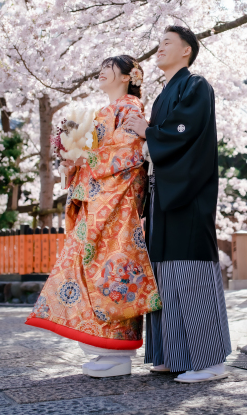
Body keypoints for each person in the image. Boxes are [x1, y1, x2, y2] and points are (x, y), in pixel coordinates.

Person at [25, 55, 161, 378]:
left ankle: (115, 352)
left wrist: (86, 157)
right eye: (100, 67)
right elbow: (90, 156)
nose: (101, 72)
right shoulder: (99, 113)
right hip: (93, 200)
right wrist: (70, 158)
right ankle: (98, 349)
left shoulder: (130, 108)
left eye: (110, 67)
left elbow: (128, 152)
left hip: (115, 204)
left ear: (129, 76)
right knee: (81, 268)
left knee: (112, 271)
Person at [123, 26, 231, 384]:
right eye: (159, 43)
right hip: (163, 192)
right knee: (164, 274)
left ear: (186, 51)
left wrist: (148, 132)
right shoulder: (164, 95)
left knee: (190, 271)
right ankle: (174, 354)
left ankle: (209, 360)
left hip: (188, 192)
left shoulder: (196, 86)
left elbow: (185, 131)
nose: (160, 48)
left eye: (167, 42)